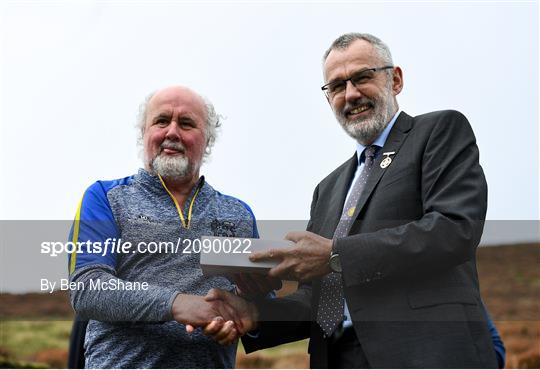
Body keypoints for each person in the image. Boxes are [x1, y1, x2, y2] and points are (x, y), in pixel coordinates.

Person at [204, 33, 505, 368]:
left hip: (426, 355)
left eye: (363, 77)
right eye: (336, 86)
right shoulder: (327, 189)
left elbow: (453, 230)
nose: (351, 94)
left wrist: (335, 255)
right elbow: (317, 301)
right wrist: (255, 314)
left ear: (396, 79)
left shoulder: (439, 131)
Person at [67, 85, 258, 368]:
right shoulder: (104, 197)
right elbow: (87, 288)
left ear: (207, 140)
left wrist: (242, 316)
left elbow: (257, 304)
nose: (172, 132)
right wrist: (179, 304)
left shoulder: (238, 214)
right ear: (143, 134)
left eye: (186, 123)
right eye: (161, 120)